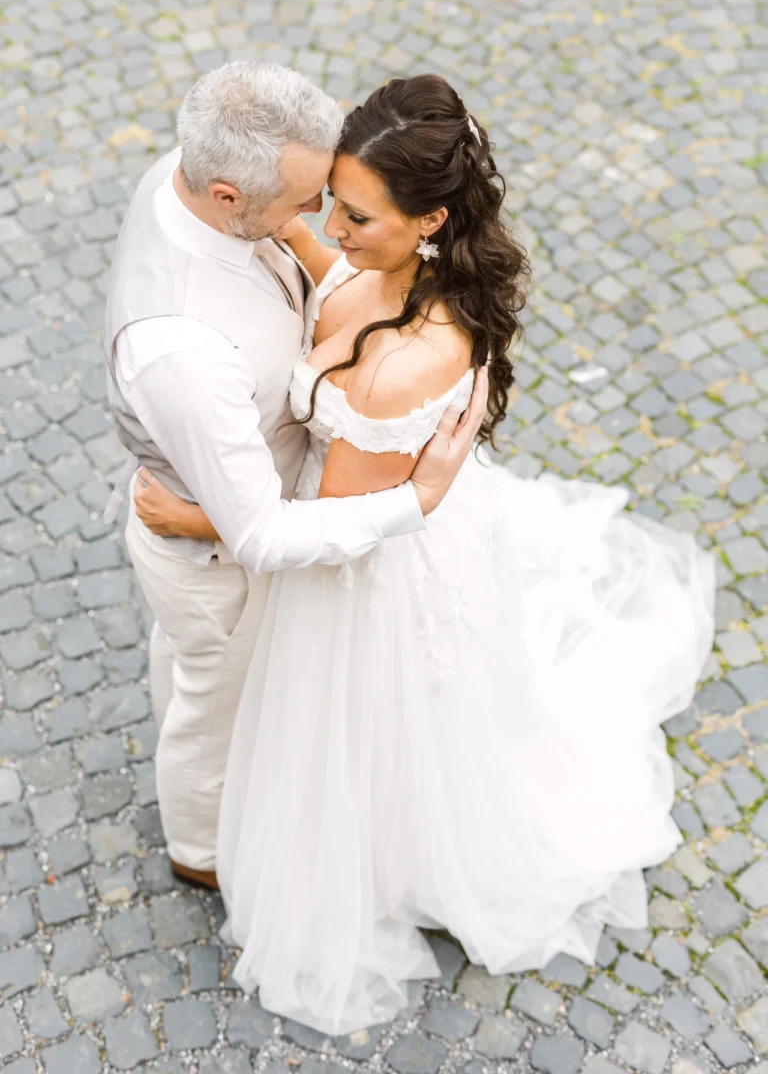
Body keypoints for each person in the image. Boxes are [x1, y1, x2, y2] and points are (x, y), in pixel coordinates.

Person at [135, 75, 715, 1034]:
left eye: (355, 213)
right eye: (329, 197)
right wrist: (282, 226)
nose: (331, 221)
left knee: (371, 732)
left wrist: (203, 521)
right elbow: (341, 271)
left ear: (430, 218)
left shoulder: (409, 361)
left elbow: (328, 523)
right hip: (388, 513)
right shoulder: (393, 266)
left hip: (364, 567)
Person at [103, 62, 488, 891]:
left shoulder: (185, 186)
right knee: (212, 706)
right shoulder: (183, 351)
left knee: (195, 673)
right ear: (226, 196)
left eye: (343, 204)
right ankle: (201, 852)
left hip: (248, 517)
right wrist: (413, 499)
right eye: (309, 201)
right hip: (221, 561)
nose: (316, 221)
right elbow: (263, 535)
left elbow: (320, 265)